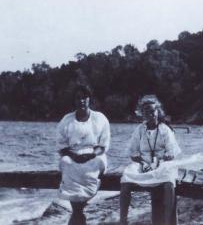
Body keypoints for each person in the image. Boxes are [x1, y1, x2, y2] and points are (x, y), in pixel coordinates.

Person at [120, 95, 181, 225]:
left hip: (162, 163)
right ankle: (123, 220)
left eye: (153, 111)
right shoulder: (139, 130)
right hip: (143, 163)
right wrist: (143, 163)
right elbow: (133, 152)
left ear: (158, 111)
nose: (150, 114)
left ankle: (167, 221)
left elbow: (172, 152)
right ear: (143, 114)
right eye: (147, 111)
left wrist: (162, 161)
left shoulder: (165, 130)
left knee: (169, 183)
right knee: (125, 178)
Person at [56, 84, 111, 225]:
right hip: (73, 156)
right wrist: (74, 156)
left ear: (89, 99)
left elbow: (103, 145)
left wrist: (91, 155)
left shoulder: (100, 118)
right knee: (65, 163)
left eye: (84, 97)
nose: (81, 101)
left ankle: (77, 213)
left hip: (94, 155)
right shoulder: (66, 120)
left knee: (95, 164)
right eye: (78, 98)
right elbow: (62, 147)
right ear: (74, 100)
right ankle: (78, 213)